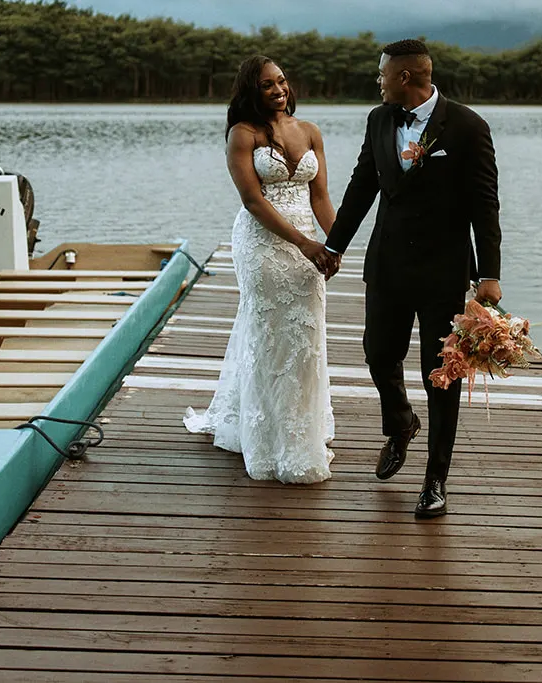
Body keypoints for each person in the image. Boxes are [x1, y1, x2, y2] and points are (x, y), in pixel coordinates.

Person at [322, 39, 502, 518]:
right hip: (387, 264)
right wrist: (333, 246)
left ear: (405, 77)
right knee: (378, 353)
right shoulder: (379, 120)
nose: (377, 81)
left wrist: (489, 274)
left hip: (443, 272)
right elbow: (362, 185)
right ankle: (400, 422)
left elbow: (485, 205)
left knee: (440, 375)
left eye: (382, 74)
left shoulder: (467, 126)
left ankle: (435, 480)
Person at [183, 55, 337, 483]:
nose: (279, 90)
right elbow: (253, 201)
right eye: (268, 84)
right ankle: (268, 439)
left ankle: (303, 432)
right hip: (262, 243)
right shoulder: (242, 134)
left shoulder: (309, 132)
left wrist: (334, 243)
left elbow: (321, 197)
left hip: (308, 242)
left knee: (305, 337)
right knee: (270, 335)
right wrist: (305, 243)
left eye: (282, 81)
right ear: (253, 90)